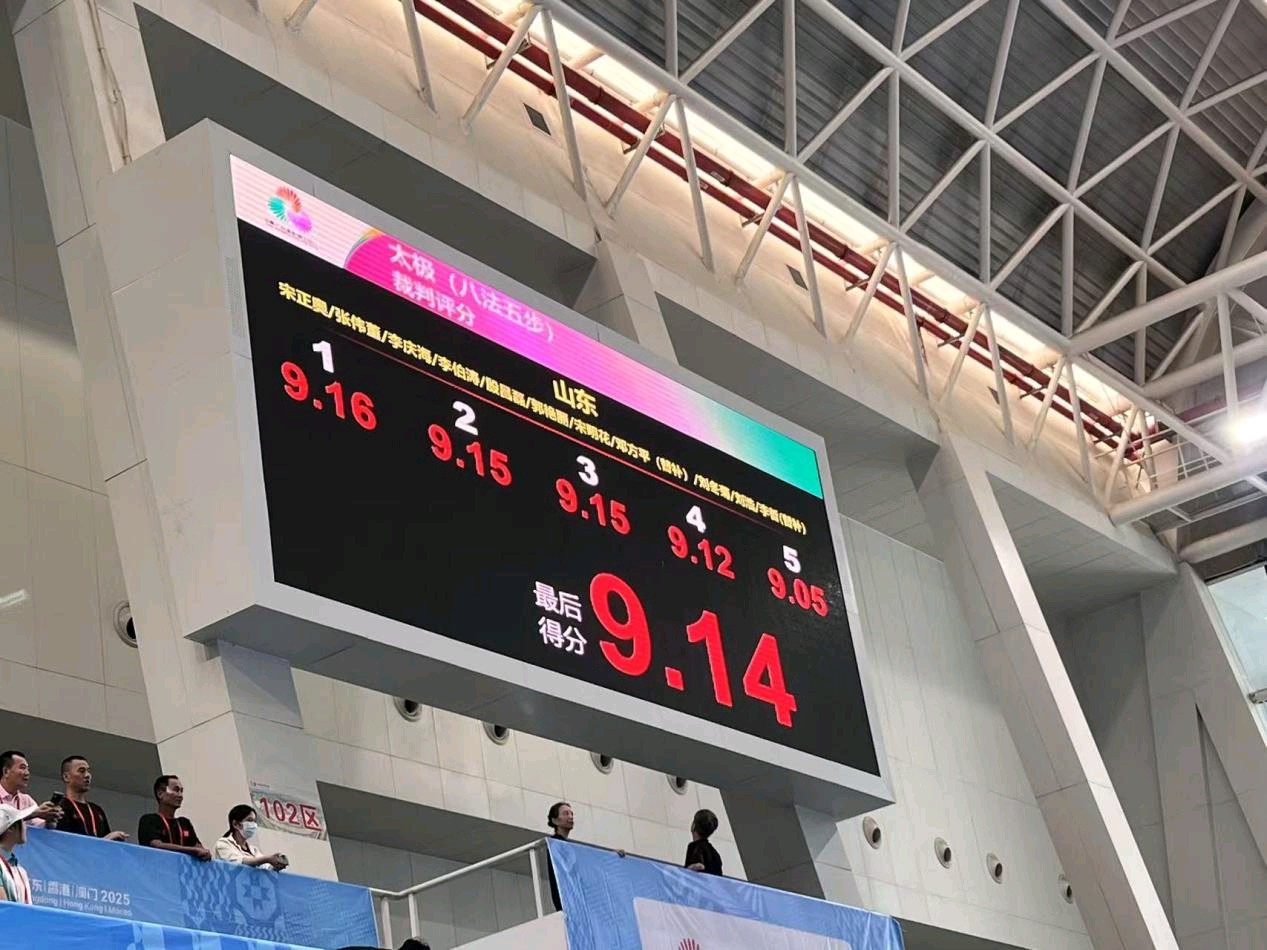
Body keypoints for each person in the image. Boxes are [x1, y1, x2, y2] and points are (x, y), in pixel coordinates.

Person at [55, 756, 127, 841]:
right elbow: (62, 842)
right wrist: (107, 838)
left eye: (88, 771)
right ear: (66, 777)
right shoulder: (59, 807)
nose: (87, 775)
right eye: (81, 771)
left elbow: (107, 845)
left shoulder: (97, 810)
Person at [138, 775, 210, 860]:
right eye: (176, 790)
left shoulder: (184, 823)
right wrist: (192, 850)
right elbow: (157, 845)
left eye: (181, 791)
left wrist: (204, 852)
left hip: (182, 868)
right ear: (160, 794)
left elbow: (199, 848)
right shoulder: (149, 820)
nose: (180, 795)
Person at [214, 804, 288, 870]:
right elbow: (239, 862)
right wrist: (267, 859)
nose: (253, 825)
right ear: (236, 824)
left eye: (254, 821)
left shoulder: (254, 850)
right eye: (249, 820)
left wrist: (277, 864)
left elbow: (266, 868)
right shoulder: (223, 844)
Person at [0, 751, 61, 828]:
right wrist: (32, 814)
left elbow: (41, 827)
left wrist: (50, 818)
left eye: (27, 769)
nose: (27, 773)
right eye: (22, 768)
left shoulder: (26, 800)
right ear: (6, 771)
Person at [0, 803, 37, 903]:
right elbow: (4, 908)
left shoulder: (21, 871)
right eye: (23, 821)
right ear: (11, 828)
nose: (26, 827)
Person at [545, 801, 573, 912]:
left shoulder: (568, 845)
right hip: (566, 900)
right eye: (566, 813)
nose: (570, 817)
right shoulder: (555, 843)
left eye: (571, 814)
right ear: (555, 820)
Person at [684, 808, 723, 876]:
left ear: (694, 826)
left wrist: (684, 872)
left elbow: (699, 866)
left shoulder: (695, 846)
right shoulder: (715, 854)